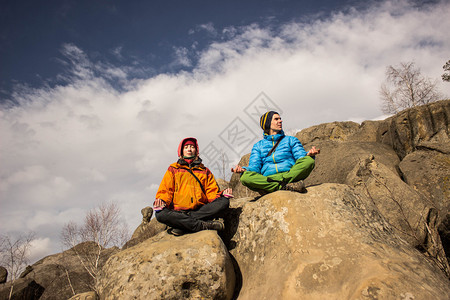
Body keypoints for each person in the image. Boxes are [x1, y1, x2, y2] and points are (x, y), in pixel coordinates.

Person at [154, 137, 233, 236]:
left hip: (199, 210)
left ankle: (182, 224)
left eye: (192, 147)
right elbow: (166, 190)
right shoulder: (173, 169)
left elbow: (211, 192)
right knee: (160, 214)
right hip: (178, 211)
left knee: (224, 202)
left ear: (196, 150)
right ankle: (203, 225)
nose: (189, 149)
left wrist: (222, 194)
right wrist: (161, 201)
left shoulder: (204, 170)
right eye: (186, 147)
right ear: (181, 151)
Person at [231, 111, 319, 194]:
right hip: (269, 178)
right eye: (276, 119)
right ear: (268, 123)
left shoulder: (291, 140)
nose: (280, 121)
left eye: (280, 119)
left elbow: (300, 157)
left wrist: (308, 154)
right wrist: (244, 170)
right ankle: (284, 186)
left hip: (289, 174)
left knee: (309, 161)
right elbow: (255, 167)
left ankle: (272, 187)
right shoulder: (258, 146)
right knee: (245, 177)